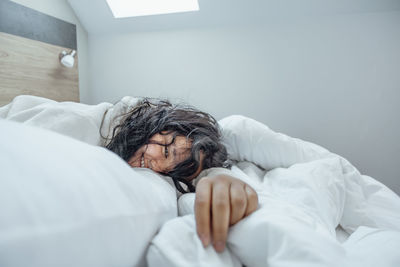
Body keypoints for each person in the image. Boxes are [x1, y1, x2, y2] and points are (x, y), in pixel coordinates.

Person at [103, 98, 258, 253]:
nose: (157, 167)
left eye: (170, 174)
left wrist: (218, 175)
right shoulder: (100, 123)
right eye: (166, 152)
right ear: (156, 127)